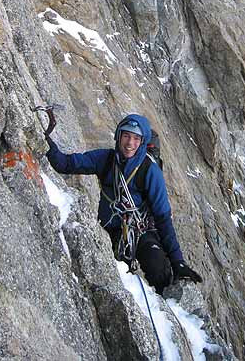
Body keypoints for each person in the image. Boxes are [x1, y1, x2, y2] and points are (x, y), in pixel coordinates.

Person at [45, 113, 202, 295]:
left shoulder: (150, 171)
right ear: (118, 136)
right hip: (110, 232)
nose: (129, 143)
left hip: (142, 231)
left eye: (136, 138)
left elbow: (163, 218)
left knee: (157, 267)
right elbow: (65, 164)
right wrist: (46, 141)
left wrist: (177, 261)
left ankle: (168, 307)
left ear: (142, 142)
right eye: (126, 136)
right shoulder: (105, 160)